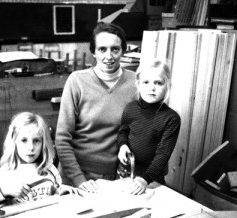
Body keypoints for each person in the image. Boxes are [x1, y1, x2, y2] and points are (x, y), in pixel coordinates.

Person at [55, 22, 137, 193]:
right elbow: (62, 139)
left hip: (114, 177)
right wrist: (78, 180)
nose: (109, 56)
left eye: (115, 49)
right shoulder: (77, 81)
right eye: (102, 49)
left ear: (123, 50)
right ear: (93, 51)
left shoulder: (136, 83)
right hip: (75, 176)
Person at [0, 112, 79, 214]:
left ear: (43, 143)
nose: (30, 147)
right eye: (24, 140)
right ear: (14, 142)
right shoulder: (5, 174)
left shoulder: (50, 170)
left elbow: (53, 194)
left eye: (36, 141)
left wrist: (60, 191)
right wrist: (3, 191)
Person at [117, 60, 181, 195]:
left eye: (158, 83)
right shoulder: (130, 108)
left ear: (167, 86)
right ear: (138, 85)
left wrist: (145, 180)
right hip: (126, 172)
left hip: (152, 178)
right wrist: (122, 146)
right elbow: (123, 131)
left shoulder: (171, 118)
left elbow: (163, 154)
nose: (152, 88)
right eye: (146, 82)